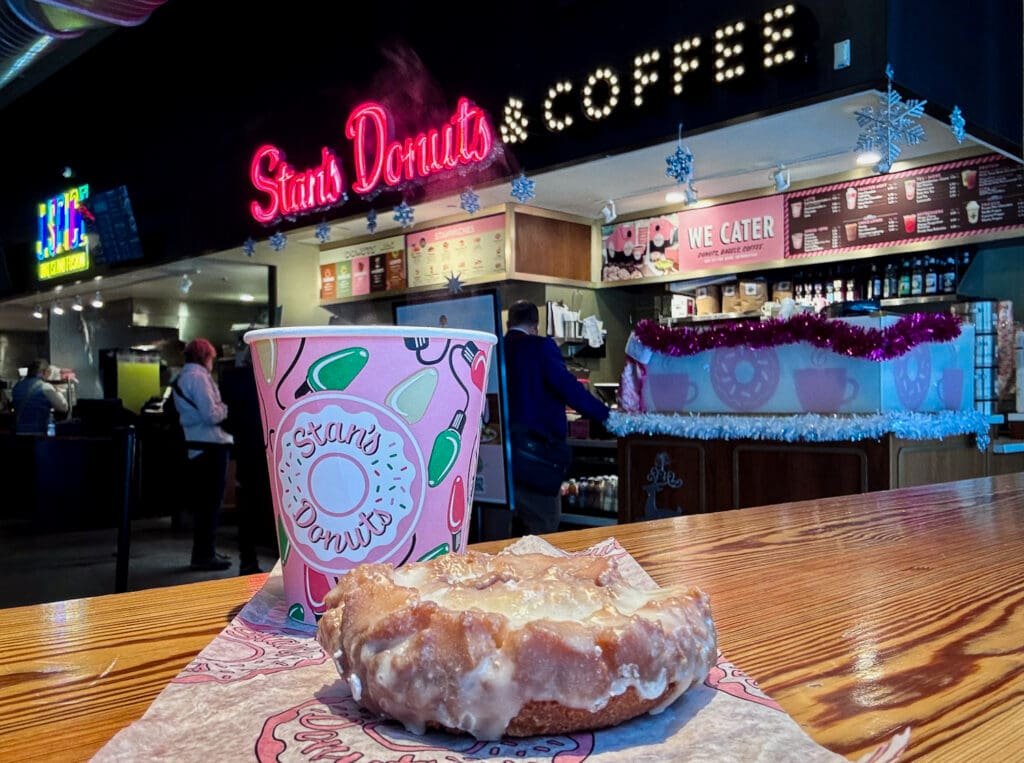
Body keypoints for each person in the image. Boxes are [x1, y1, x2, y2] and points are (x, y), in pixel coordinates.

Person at [503, 300, 610, 535]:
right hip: (536, 456)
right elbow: (568, 388)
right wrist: (607, 416)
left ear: (509, 323)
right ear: (535, 326)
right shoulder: (541, 347)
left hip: (498, 461)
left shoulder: (494, 349)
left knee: (502, 535)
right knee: (543, 528)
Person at [172, 338, 234, 571]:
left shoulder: (183, 376)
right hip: (211, 446)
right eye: (211, 358)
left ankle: (205, 550)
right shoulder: (198, 377)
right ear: (204, 356)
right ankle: (204, 555)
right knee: (210, 503)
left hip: (198, 446)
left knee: (205, 503)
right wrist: (226, 407)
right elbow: (211, 415)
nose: (212, 362)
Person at [219, 345, 271, 575]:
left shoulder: (233, 379)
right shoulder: (272, 381)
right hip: (271, 451)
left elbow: (225, 417)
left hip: (245, 450)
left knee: (247, 507)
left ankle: (248, 559)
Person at [12, 359, 68, 434]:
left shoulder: (17, 386)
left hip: (19, 432)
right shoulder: (45, 387)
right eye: (49, 372)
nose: (49, 375)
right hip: (38, 433)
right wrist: (57, 390)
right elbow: (63, 407)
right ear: (44, 372)